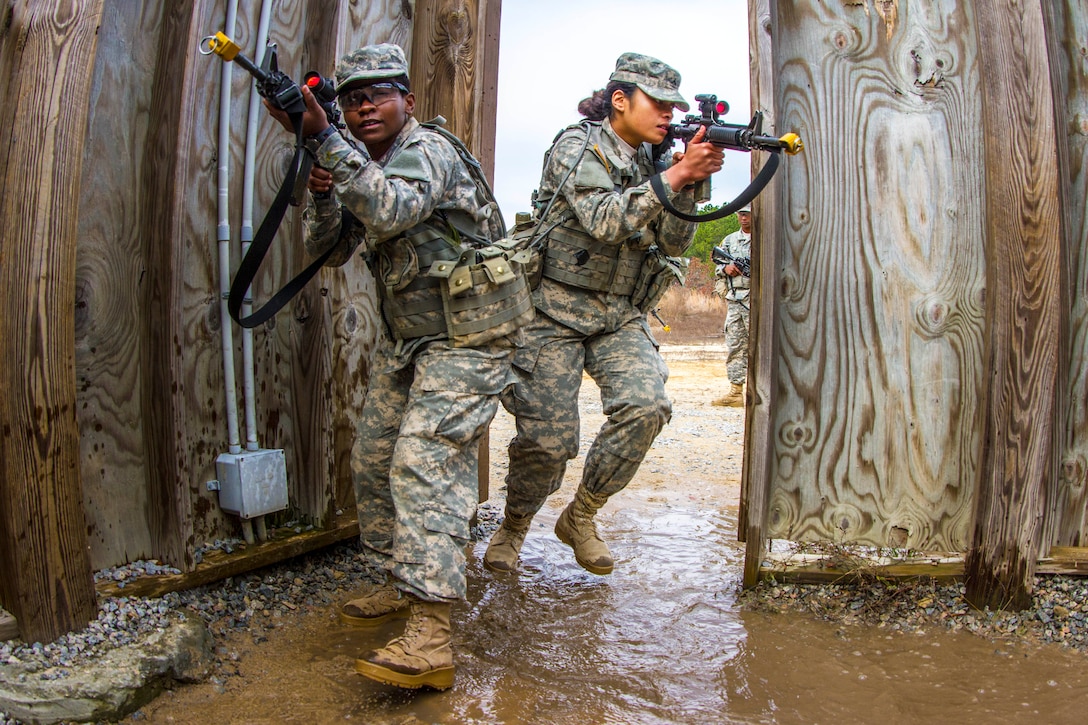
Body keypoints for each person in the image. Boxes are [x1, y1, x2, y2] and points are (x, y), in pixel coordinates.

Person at [265, 43, 518, 691]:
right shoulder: (362, 160)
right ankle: (401, 583)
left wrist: (326, 141)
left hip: (471, 338)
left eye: (378, 93)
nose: (363, 107)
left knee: (423, 457)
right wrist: (324, 184)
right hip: (410, 342)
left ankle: (431, 633)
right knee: (374, 458)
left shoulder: (427, 150)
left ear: (407, 99)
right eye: (350, 100)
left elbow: (391, 209)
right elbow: (327, 247)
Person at [483, 52, 724, 575]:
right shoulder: (577, 145)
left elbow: (675, 240)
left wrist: (690, 181)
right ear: (620, 100)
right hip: (554, 309)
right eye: (657, 103)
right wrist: (678, 171)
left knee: (646, 405)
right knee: (548, 440)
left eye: (672, 107)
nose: (667, 115)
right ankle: (515, 524)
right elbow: (602, 220)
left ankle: (581, 515)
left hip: (619, 311)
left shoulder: (654, 161)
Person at [711, 206, 752, 407]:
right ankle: (736, 392)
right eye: (741, 214)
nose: (743, 218)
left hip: (758, 299)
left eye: (747, 214)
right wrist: (726, 269)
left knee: (761, 346)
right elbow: (718, 263)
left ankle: (762, 390)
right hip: (736, 300)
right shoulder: (729, 240)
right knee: (735, 345)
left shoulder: (764, 237)